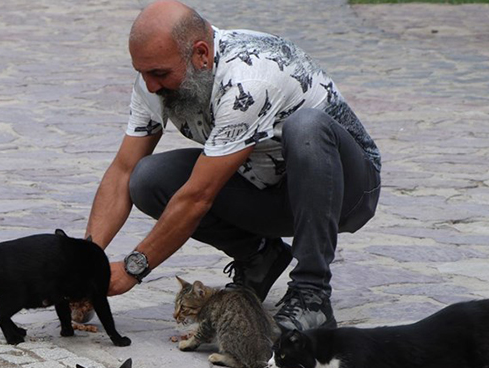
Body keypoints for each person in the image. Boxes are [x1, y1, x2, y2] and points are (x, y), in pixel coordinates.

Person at [84, 0, 381, 332]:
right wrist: (83, 263)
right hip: (269, 189)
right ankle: (260, 258)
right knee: (147, 178)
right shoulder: (154, 82)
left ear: (201, 55)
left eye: (159, 74)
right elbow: (123, 169)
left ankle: (312, 294)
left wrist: (133, 267)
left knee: (306, 126)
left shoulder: (249, 78)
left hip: (345, 191)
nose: (151, 85)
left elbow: (198, 197)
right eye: (142, 73)